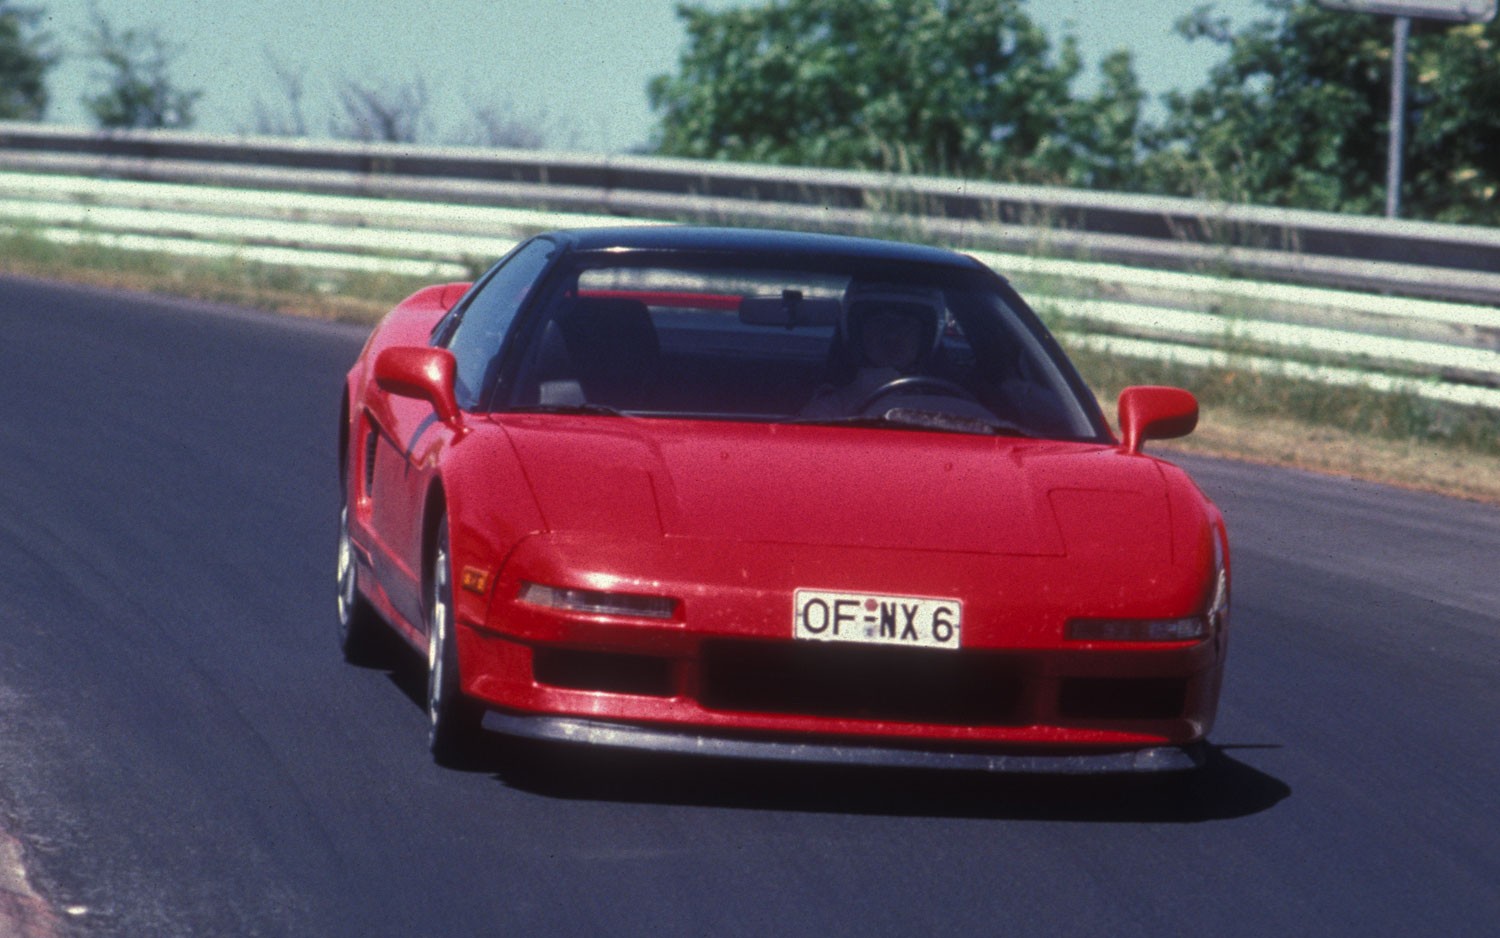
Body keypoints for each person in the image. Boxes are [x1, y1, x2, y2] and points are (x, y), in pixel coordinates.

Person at [800, 281, 945, 418]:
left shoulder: (948, 405)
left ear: (925, 336)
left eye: (905, 323)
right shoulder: (832, 407)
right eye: (880, 322)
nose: (892, 335)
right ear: (858, 334)